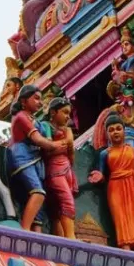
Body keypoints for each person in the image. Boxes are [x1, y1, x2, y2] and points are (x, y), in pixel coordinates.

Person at [89, 113, 134, 252]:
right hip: (116, 187)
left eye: (118, 128)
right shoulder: (105, 153)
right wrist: (98, 176)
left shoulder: (133, 151)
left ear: (124, 131)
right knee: (121, 219)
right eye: (111, 130)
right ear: (107, 134)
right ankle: (126, 249)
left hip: (133, 185)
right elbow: (102, 173)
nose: (115, 132)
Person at [8, 85, 67, 231]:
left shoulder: (36, 120)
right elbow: (38, 140)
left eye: (41, 99)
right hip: (21, 158)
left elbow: (46, 137)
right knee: (38, 192)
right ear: (23, 100)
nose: (40, 103)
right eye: (36, 98)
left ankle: (37, 234)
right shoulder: (21, 117)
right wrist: (56, 145)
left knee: (40, 197)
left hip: (35, 160)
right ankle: (25, 231)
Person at [40, 97, 78, 239]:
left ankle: (61, 238)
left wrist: (60, 147)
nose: (68, 116)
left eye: (69, 113)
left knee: (59, 207)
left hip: (67, 169)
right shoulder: (45, 126)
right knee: (66, 201)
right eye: (65, 112)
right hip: (54, 170)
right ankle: (70, 237)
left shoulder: (67, 129)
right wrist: (62, 147)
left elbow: (69, 146)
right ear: (53, 112)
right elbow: (47, 149)